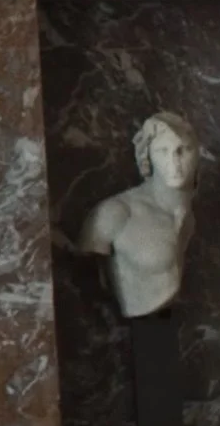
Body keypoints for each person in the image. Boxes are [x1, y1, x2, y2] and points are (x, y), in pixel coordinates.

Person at [78, 112, 199, 318]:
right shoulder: (116, 212)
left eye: (183, 150)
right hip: (139, 311)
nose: (174, 162)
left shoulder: (186, 216)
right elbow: (82, 262)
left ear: (197, 154)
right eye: (163, 151)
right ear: (148, 156)